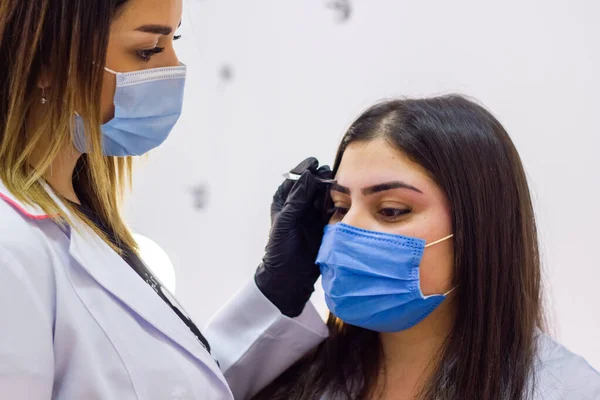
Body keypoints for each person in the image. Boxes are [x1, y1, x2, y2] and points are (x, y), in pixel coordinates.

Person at [0, 1, 333, 399]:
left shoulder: (86, 226)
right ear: (47, 62)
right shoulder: (11, 246)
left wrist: (276, 291)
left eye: (173, 40)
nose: (174, 68)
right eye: (148, 50)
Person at [253, 96, 600, 400]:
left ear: (477, 229)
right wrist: (277, 291)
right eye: (340, 206)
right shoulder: (292, 378)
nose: (345, 230)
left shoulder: (569, 391)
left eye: (391, 210)